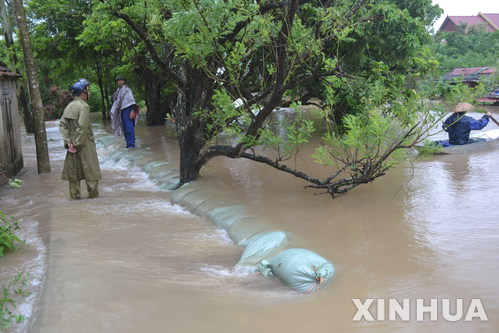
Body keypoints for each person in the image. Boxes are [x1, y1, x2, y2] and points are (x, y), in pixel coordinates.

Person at [59, 79, 102, 200]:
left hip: (72, 145)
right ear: (82, 93)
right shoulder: (84, 107)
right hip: (84, 144)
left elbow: (63, 125)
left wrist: (68, 143)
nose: (90, 93)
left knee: (74, 175)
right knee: (91, 173)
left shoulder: (69, 106)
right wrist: (77, 144)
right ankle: (93, 202)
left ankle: (74, 200)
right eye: (88, 90)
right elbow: (82, 127)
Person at [110, 74, 138, 148]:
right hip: (122, 111)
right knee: (125, 129)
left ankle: (132, 146)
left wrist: (132, 111)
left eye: (121, 80)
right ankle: (128, 145)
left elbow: (131, 101)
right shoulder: (118, 91)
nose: (120, 82)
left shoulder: (127, 90)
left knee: (129, 128)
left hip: (128, 110)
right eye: (118, 80)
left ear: (124, 81)